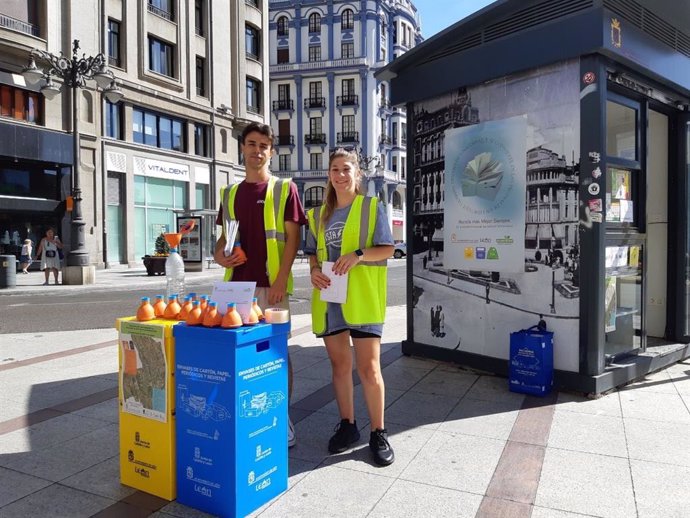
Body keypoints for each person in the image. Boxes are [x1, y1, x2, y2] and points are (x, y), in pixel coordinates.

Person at [213, 122, 306, 448]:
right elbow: (224, 239)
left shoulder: (284, 189)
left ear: (271, 151)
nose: (257, 151)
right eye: (252, 144)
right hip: (236, 288)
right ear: (243, 148)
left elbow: (293, 239)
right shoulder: (230, 193)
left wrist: (280, 279)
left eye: (264, 145)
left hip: (271, 286)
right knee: (238, 353)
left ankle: (282, 418)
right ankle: (248, 414)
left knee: (278, 352)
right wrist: (220, 255)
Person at [305, 148, 395, 466]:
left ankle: (379, 432)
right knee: (340, 367)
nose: (340, 175)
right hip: (331, 299)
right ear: (328, 175)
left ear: (357, 174)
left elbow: (387, 248)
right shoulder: (318, 215)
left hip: (363, 299)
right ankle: (348, 426)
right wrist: (314, 270)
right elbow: (312, 252)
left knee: (369, 369)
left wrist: (357, 254)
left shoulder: (371, 207)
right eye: (334, 169)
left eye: (346, 169)